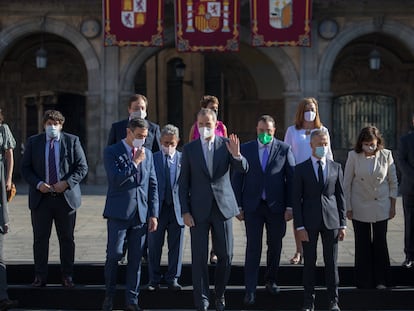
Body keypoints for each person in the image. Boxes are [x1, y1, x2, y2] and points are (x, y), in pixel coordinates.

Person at [179, 108, 248, 311]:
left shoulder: (226, 145)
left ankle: (219, 294)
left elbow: (244, 168)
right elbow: (183, 184)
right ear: (196, 125)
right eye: (201, 124)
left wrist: (237, 155)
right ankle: (202, 300)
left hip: (223, 208)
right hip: (198, 210)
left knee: (226, 255)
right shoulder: (190, 150)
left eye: (208, 124)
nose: (204, 128)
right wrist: (185, 211)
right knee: (199, 257)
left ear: (215, 125)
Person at [232, 115, 295, 306]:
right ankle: (250, 289)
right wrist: (238, 206)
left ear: (274, 131)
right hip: (253, 206)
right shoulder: (246, 149)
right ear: (256, 130)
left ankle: (271, 280)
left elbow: (291, 180)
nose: (265, 134)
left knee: (275, 246)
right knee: (253, 247)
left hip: (277, 207)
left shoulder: (284, 149)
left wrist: (290, 206)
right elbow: (237, 178)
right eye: (261, 130)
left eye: (268, 131)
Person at [21, 110, 88, 288]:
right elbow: (25, 168)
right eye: (50, 123)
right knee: (40, 239)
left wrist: (66, 183)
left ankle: (67, 275)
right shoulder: (34, 142)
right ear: (44, 125)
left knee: (66, 238)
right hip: (41, 198)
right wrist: (38, 184)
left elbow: (82, 167)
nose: (53, 127)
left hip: (65, 198)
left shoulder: (72, 141)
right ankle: (40, 276)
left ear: (61, 125)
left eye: (56, 123)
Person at [102, 117, 159, 311]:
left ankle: (132, 300)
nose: (142, 140)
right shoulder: (112, 151)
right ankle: (109, 295)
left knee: (136, 259)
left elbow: (152, 185)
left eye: (145, 137)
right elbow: (115, 180)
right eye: (139, 136)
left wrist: (153, 214)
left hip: (141, 214)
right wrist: (134, 163)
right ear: (128, 132)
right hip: (119, 212)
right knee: (114, 254)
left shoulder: (148, 154)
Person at [292, 130, 346, 311]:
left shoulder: (336, 167)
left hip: (331, 221)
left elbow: (340, 196)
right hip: (309, 222)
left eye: (325, 144)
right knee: (309, 263)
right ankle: (309, 301)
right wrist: (299, 226)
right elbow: (296, 200)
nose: (323, 147)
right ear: (311, 145)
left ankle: (333, 300)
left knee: (331, 262)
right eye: (319, 144)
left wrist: (343, 223)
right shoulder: (301, 169)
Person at [107, 94, 161, 264]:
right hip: (123, 184)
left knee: (141, 227)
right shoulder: (118, 127)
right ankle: (120, 254)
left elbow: (156, 154)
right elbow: (111, 151)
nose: (140, 111)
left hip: (143, 183)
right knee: (119, 234)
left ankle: (142, 253)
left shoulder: (153, 128)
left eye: (143, 108)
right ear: (129, 109)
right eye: (136, 108)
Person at [344, 126, 398, 289]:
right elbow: (347, 183)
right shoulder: (353, 156)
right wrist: (348, 207)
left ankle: (382, 280)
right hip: (360, 204)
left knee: (380, 242)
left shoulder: (386, 155)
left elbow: (393, 181)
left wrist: (393, 206)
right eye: (366, 144)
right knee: (362, 243)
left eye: (372, 144)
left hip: (381, 204)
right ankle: (363, 281)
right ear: (361, 143)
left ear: (378, 143)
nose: (369, 147)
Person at [284, 97, 333, 265]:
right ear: (300, 112)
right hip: (298, 176)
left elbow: (329, 154)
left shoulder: (322, 130)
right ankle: (299, 250)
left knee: (317, 214)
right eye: (306, 110)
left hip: (317, 174)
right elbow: (287, 153)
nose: (309, 113)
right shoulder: (292, 131)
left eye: (312, 109)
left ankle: (313, 251)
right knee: (299, 214)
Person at [189, 95, 228, 264]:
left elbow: (225, 147)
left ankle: (214, 251)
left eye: (217, 108)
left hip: (217, 178)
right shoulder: (195, 127)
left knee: (218, 225)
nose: (215, 110)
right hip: (201, 178)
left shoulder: (221, 127)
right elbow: (191, 149)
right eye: (212, 107)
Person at [147, 124, 184, 291]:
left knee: (176, 246)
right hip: (158, 209)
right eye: (165, 142)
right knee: (154, 245)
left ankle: (173, 278)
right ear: (160, 141)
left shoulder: (184, 159)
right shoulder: (152, 158)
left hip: (177, 209)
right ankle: (154, 279)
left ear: (177, 142)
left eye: (172, 143)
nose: (168, 146)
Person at [0, 110, 18, 310]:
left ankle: (2, 296)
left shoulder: (3, 130)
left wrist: (8, 179)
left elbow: (9, 154)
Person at [398, 114, 414, 269]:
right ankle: (409, 255)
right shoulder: (405, 140)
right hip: (411, 188)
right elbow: (401, 161)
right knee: (410, 223)